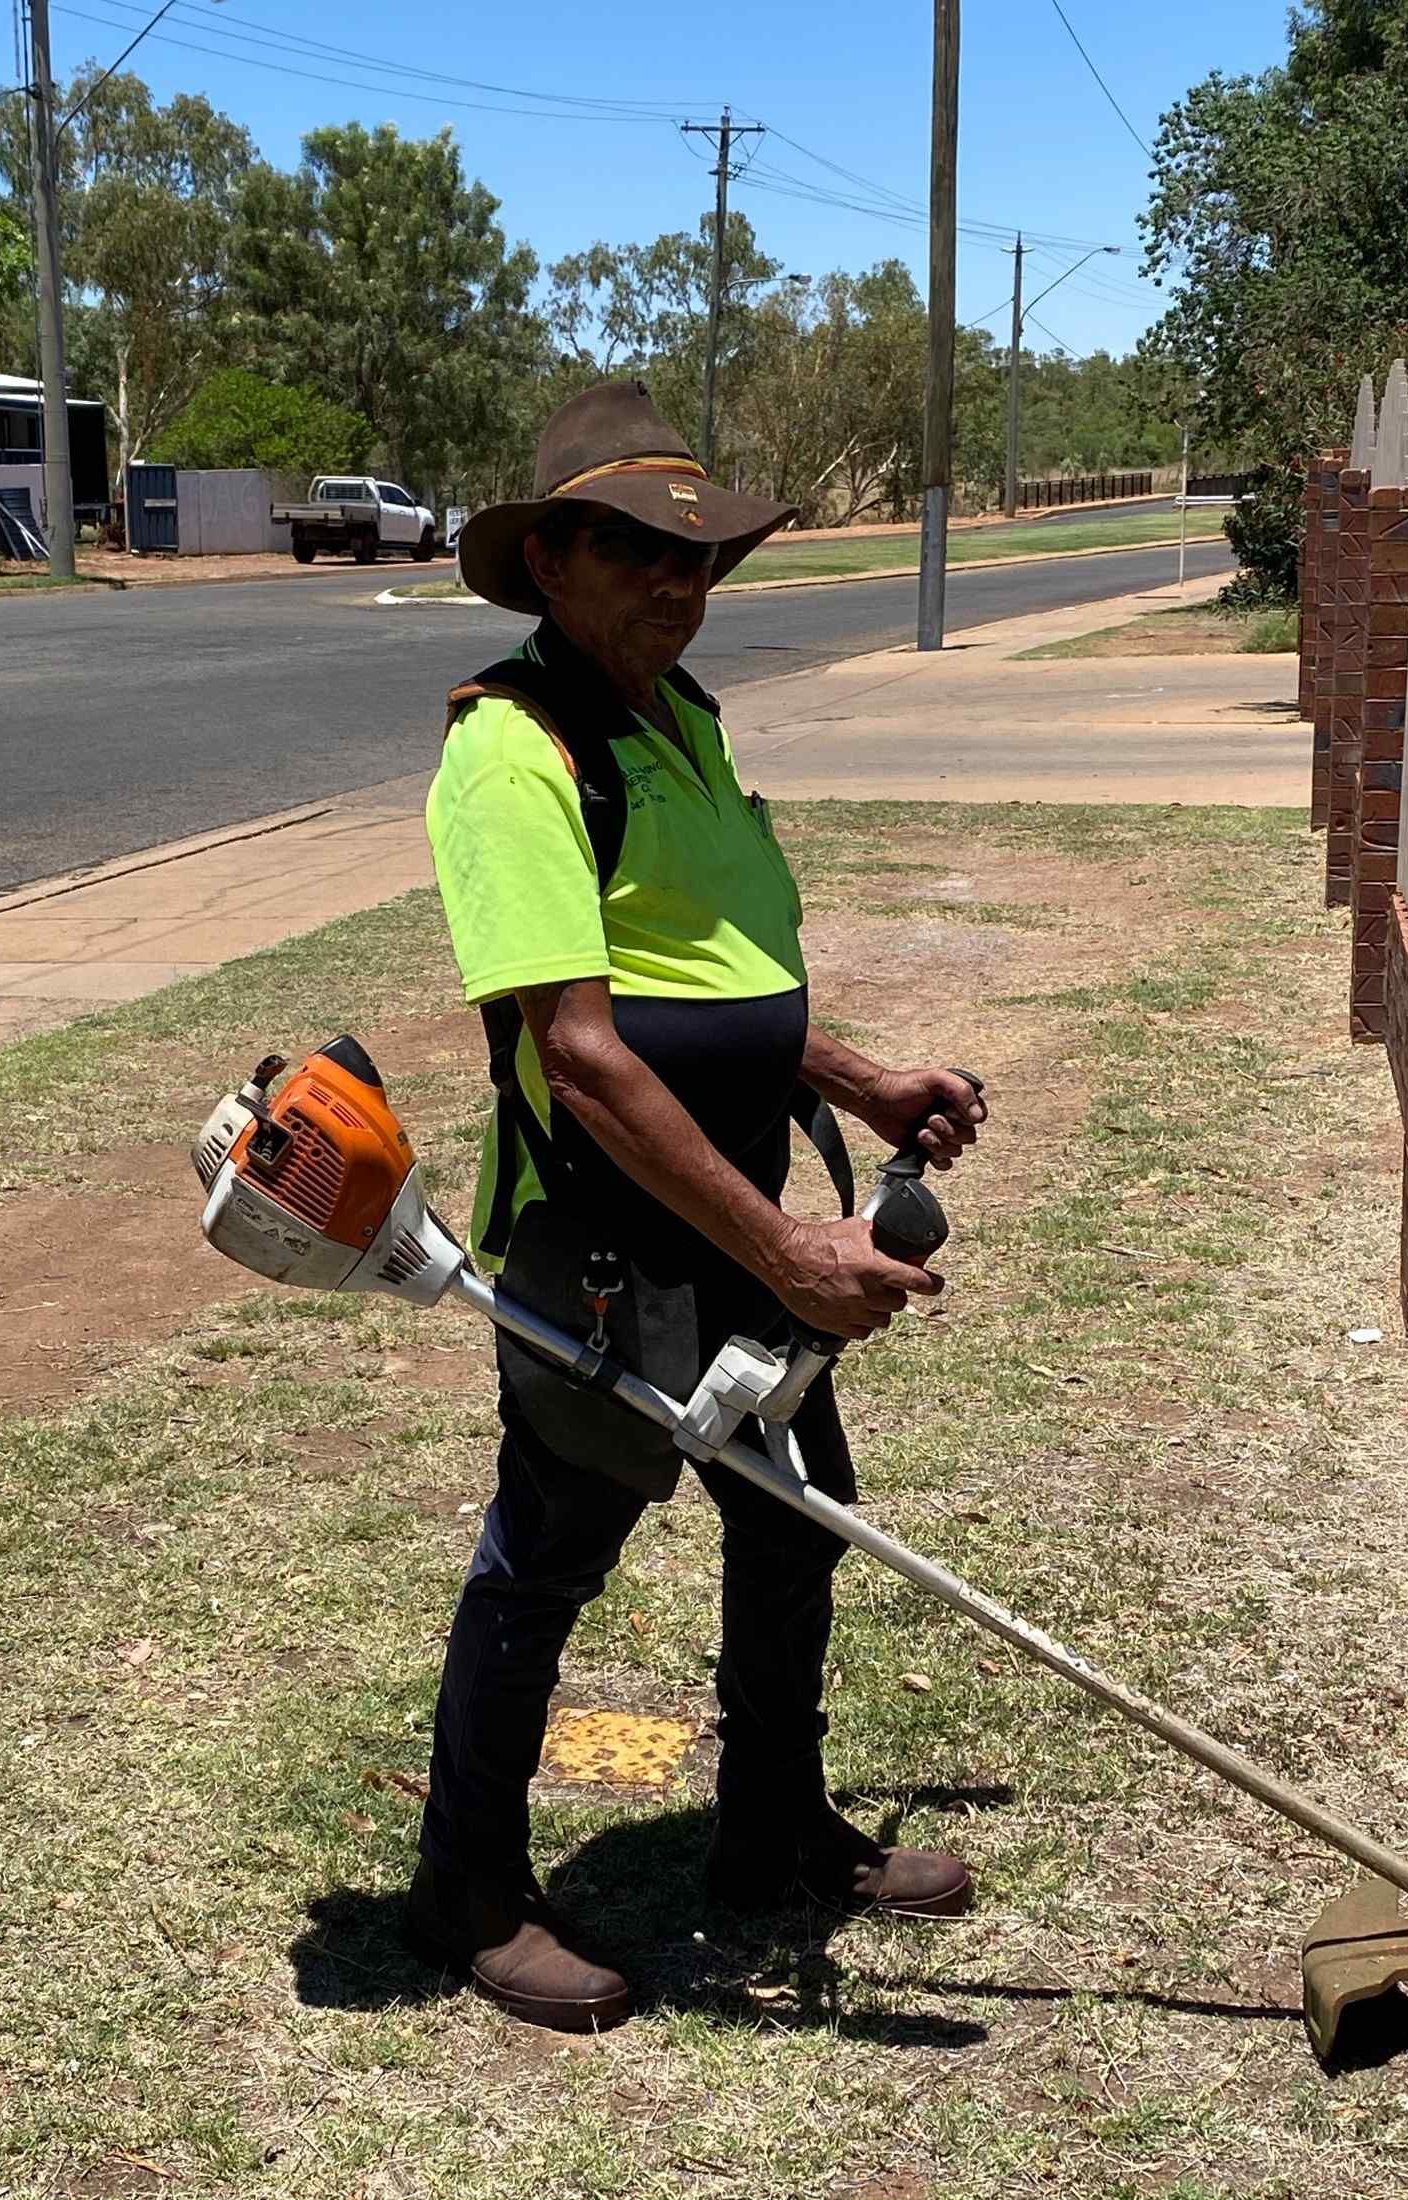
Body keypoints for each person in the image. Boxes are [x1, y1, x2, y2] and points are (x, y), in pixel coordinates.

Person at [410, 379, 988, 2033]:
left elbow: (715, 981)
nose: (681, 587)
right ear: (556, 562)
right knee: (550, 1557)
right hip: (614, 1238)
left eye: (701, 558)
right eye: (643, 556)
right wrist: (793, 1248)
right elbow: (585, 1057)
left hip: (736, 1212)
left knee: (796, 1521)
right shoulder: (509, 754)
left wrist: (861, 1078)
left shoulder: (681, 717)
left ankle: (771, 1832)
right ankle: (462, 1889)